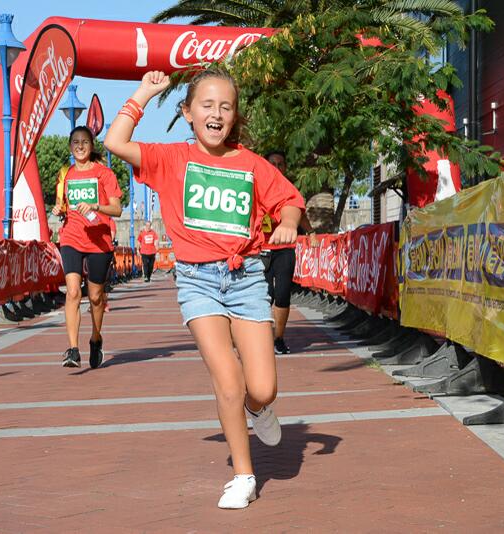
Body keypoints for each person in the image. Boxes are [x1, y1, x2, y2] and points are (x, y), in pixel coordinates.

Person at [105, 69, 305, 509]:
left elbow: (289, 200)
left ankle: (259, 410)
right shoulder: (170, 158)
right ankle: (243, 475)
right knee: (227, 379)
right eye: (207, 105)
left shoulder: (251, 163)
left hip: (247, 278)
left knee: (263, 388)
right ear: (188, 112)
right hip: (197, 282)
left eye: (225, 107)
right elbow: (115, 142)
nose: (216, 114)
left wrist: (288, 222)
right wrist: (142, 93)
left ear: (234, 117)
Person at [52, 125, 123, 369]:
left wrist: (95, 206)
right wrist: (58, 209)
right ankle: (72, 349)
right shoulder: (65, 174)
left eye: (84, 142)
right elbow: (63, 206)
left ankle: (95, 338)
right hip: (71, 237)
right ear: (70, 147)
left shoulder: (104, 174)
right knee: (72, 291)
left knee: (94, 296)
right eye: (75, 142)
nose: (80, 146)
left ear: (92, 146)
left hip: (98, 240)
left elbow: (117, 209)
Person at [260, 151, 318, 355]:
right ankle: (261, 339)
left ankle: (279, 338)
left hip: (284, 249)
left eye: (280, 164)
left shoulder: (289, 189)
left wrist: (310, 233)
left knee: (282, 294)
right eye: (272, 164)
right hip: (260, 250)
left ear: (285, 167)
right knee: (263, 295)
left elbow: (299, 213)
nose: (276, 168)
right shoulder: (255, 187)